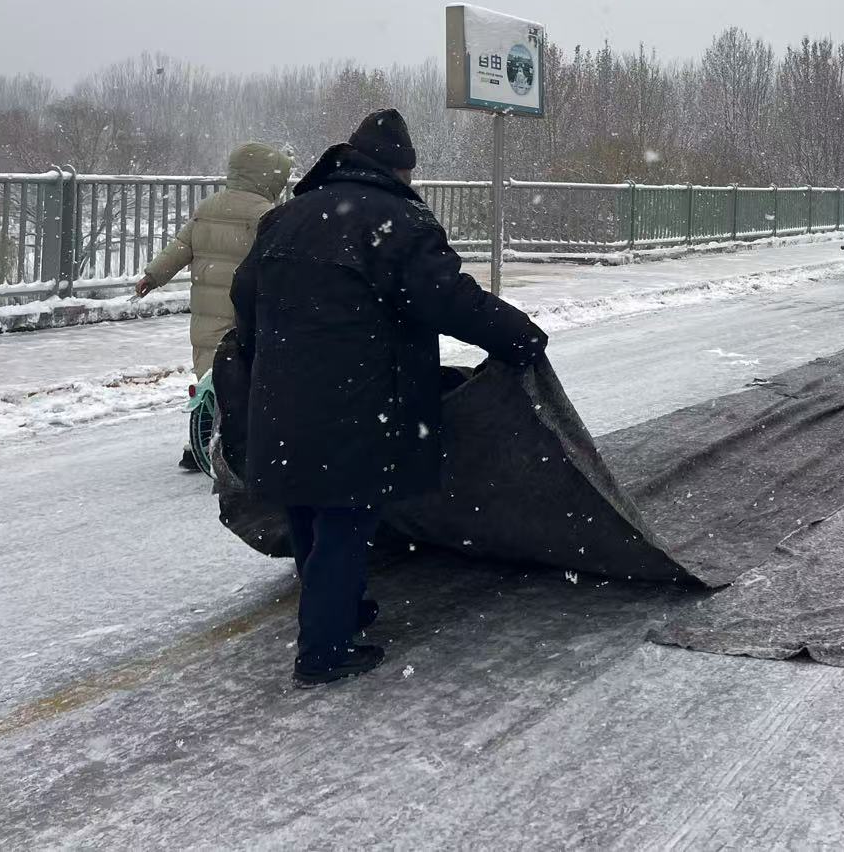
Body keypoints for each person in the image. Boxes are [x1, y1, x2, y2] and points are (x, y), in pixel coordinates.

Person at [230, 109, 546, 688]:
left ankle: (341, 610)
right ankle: (324, 651)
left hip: (283, 392)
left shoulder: (287, 217)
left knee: (306, 509)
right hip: (358, 396)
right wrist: (519, 336)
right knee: (346, 520)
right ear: (400, 168)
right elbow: (449, 299)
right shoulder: (397, 220)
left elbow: (245, 294)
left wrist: (264, 357)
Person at [136, 141, 292, 471]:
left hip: (205, 311)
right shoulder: (267, 215)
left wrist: (153, 276)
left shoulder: (208, 207)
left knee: (208, 371)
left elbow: (181, 246)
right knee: (244, 376)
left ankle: (197, 441)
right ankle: (232, 442)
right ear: (268, 177)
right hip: (246, 310)